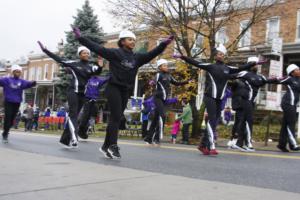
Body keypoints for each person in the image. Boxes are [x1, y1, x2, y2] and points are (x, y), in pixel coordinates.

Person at [73, 27, 174, 158]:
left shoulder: (137, 57)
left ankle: (105, 146)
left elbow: (152, 54)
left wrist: (164, 44)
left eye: (134, 40)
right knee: (115, 117)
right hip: (113, 87)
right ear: (122, 41)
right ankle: (113, 146)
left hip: (125, 90)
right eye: (129, 39)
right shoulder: (115, 53)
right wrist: (81, 38)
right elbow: (97, 48)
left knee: (117, 118)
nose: (133, 42)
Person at [173, 44, 260, 155]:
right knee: (212, 120)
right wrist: (182, 57)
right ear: (215, 56)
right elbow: (196, 62)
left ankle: (202, 145)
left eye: (223, 54)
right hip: (210, 97)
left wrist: (252, 63)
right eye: (219, 54)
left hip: (219, 99)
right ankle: (212, 146)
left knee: (214, 122)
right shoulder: (210, 66)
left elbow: (240, 68)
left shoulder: (228, 69)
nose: (221, 55)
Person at [38, 41, 103, 148]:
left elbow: (97, 72)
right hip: (73, 91)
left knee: (74, 116)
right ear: (79, 54)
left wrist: (100, 65)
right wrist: (45, 50)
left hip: (83, 94)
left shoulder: (91, 66)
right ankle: (74, 138)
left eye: (87, 53)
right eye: (84, 53)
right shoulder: (74, 63)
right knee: (73, 115)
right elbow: (58, 59)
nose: (86, 54)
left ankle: (64, 140)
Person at [229, 57, 274, 152]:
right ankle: (246, 143)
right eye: (254, 64)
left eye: (257, 64)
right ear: (249, 65)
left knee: (243, 122)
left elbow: (270, 80)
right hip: (244, 101)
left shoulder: (260, 77)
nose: (256, 66)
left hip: (251, 102)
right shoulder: (244, 74)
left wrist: (281, 79)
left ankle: (239, 143)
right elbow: (231, 76)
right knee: (245, 122)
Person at [144, 59, 189, 145]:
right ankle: (157, 138)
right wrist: (151, 82)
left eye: (166, 65)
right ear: (160, 67)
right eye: (164, 65)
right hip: (157, 98)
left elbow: (176, 83)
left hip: (164, 100)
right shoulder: (158, 75)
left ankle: (148, 138)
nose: (166, 67)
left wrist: (187, 81)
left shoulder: (169, 75)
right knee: (163, 116)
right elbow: (153, 81)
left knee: (155, 119)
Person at [0, 65, 36, 143]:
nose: (18, 73)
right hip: (8, 102)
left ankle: (6, 130)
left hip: (17, 102)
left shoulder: (21, 81)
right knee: (8, 117)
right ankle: (5, 134)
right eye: (17, 72)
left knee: (12, 119)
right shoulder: (6, 80)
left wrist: (33, 83)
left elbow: (29, 84)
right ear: (13, 72)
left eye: (19, 72)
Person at [274, 64, 300, 152]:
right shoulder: (289, 79)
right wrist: (264, 80)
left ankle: (281, 144)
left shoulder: (298, 80)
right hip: (287, 103)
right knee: (291, 123)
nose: (299, 70)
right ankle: (293, 145)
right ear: (292, 72)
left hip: (293, 104)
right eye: (297, 70)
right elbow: (277, 80)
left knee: (285, 124)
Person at [78, 75, 109, 140]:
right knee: (86, 114)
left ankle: (83, 131)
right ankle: (80, 128)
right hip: (87, 98)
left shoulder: (99, 80)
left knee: (89, 115)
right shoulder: (88, 78)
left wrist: (112, 75)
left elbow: (106, 79)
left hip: (94, 99)